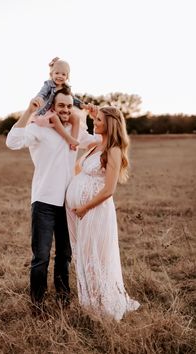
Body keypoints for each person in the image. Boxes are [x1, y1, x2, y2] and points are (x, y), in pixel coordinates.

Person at [5, 87, 100, 310]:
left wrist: (95, 116)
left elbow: (98, 139)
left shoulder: (75, 132)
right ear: (53, 106)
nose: (66, 109)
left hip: (68, 202)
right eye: (61, 105)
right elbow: (12, 141)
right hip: (44, 201)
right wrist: (29, 111)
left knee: (65, 255)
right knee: (41, 256)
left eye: (69, 105)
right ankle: (37, 303)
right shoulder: (39, 128)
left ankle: (63, 299)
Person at [66, 106, 140, 321]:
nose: (94, 122)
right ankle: (90, 301)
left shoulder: (114, 150)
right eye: (95, 119)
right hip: (80, 212)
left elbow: (109, 190)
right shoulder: (96, 144)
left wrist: (85, 208)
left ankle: (102, 307)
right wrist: (92, 114)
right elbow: (78, 136)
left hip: (95, 212)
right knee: (84, 254)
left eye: (98, 120)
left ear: (109, 124)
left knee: (95, 256)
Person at [33, 57, 86, 150]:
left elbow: (73, 99)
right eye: (57, 73)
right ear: (51, 74)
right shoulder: (48, 85)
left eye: (63, 74)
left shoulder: (66, 88)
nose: (60, 76)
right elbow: (42, 93)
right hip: (48, 112)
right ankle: (68, 138)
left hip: (60, 110)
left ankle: (73, 141)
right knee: (54, 118)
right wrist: (39, 99)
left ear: (67, 77)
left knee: (76, 118)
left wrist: (82, 104)